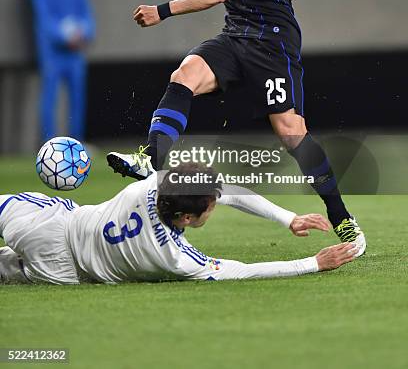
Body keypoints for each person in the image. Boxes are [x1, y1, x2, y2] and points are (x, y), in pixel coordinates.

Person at [107, 0, 366, 254]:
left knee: (291, 133)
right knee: (185, 74)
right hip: (238, 34)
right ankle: (151, 157)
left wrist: (162, 10)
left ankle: (341, 217)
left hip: (273, 43)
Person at [0, 164, 358, 284]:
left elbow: (227, 192)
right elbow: (243, 271)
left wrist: (288, 218)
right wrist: (313, 262)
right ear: (186, 218)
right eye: (211, 207)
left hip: (48, 223)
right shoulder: (176, 257)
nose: (217, 206)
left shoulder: (153, 184)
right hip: (61, 270)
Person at [31, 0, 95, 141]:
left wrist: (83, 32)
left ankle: (76, 142)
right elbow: (44, 19)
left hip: (74, 51)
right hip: (52, 52)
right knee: (50, 97)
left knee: (78, 98)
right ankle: (48, 143)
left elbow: (86, 15)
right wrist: (65, 35)